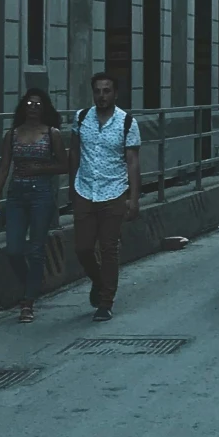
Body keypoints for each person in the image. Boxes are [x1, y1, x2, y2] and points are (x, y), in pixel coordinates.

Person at [0, 88, 68, 321]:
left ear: (44, 109)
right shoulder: (12, 134)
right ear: (23, 108)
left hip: (41, 194)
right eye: (29, 104)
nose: (33, 108)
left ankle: (28, 302)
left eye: (38, 105)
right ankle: (31, 284)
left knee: (36, 249)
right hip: (16, 194)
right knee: (13, 249)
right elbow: (4, 166)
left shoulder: (51, 134)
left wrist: (40, 168)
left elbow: (64, 165)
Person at [69, 71, 142, 319]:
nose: (102, 96)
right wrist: (72, 185)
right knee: (83, 248)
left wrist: (134, 197)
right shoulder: (80, 119)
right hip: (85, 190)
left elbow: (132, 161)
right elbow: (75, 154)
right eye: (98, 91)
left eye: (107, 91)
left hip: (114, 191)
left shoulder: (127, 122)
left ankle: (105, 302)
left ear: (115, 93)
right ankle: (98, 281)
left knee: (109, 248)